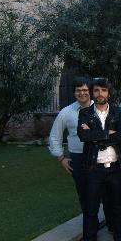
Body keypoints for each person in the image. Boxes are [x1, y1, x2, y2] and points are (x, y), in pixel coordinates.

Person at [77, 78, 121, 241]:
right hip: (93, 169)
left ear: (109, 93)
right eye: (96, 90)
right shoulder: (85, 113)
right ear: (92, 93)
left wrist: (97, 136)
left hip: (115, 169)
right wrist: (107, 134)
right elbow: (83, 135)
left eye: (103, 90)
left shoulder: (118, 112)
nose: (100, 94)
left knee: (118, 208)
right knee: (91, 210)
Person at [49, 77, 92, 212]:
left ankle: (111, 223)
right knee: (84, 193)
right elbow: (54, 136)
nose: (82, 93)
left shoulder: (100, 109)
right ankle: (90, 225)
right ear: (74, 93)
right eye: (78, 90)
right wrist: (61, 158)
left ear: (90, 91)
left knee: (105, 192)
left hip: (100, 156)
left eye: (85, 90)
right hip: (78, 158)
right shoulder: (66, 112)